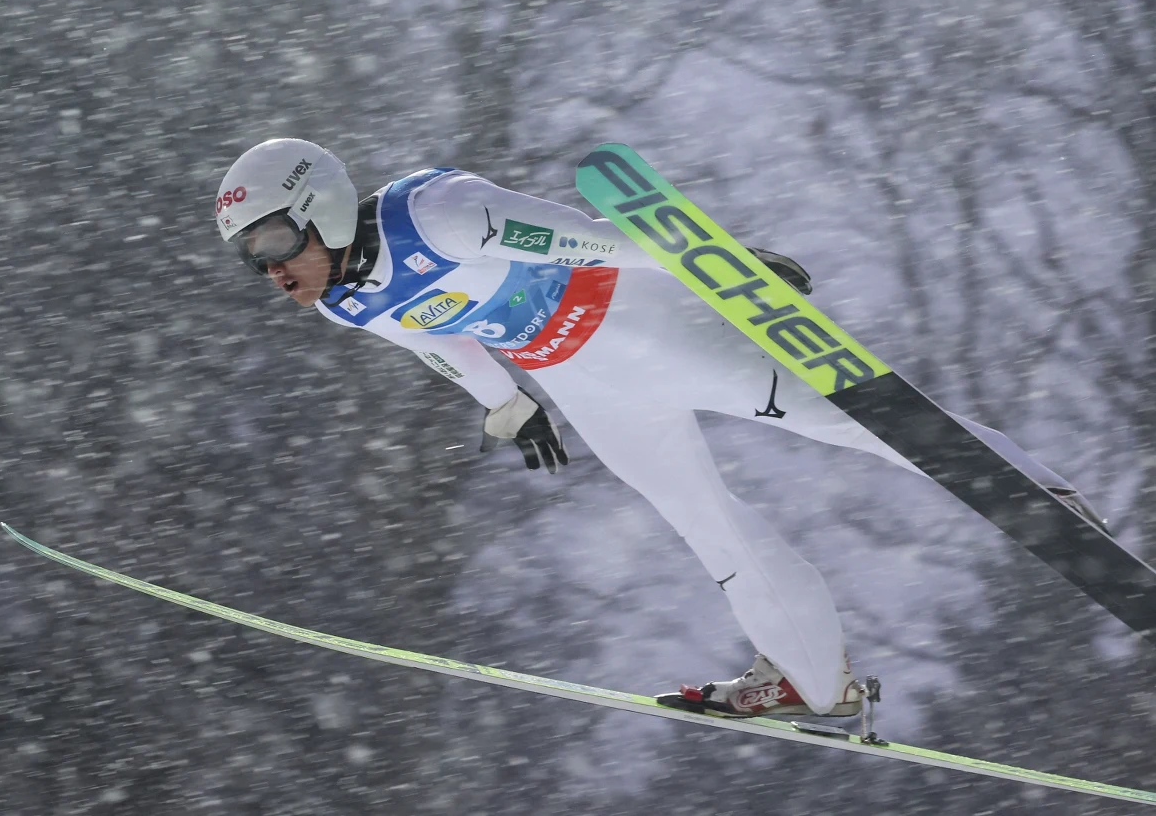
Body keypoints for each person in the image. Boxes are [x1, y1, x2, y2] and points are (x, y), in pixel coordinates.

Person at [212, 137, 1105, 718]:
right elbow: (430, 335)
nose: (272, 272)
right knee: (706, 526)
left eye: (272, 243)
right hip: (590, 381)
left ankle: (1042, 497)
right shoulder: (346, 301)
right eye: (253, 259)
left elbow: (586, 238)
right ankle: (809, 677)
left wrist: (721, 261)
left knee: (849, 418)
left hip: (646, 320)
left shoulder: (436, 212)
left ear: (319, 204)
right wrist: (505, 400)